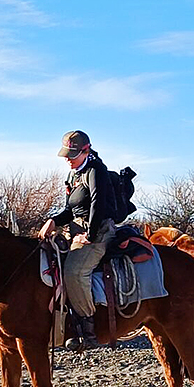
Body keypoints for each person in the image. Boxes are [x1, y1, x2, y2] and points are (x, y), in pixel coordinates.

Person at [39, 130, 118, 351]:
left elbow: (97, 205)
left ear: (86, 150)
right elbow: (70, 210)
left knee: (74, 271)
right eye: (66, 154)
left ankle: (88, 330)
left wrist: (90, 235)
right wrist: (53, 221)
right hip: (75, 230)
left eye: (72, 155)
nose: (67, 159)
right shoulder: (73, 175)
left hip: (99, 231)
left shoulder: (96, 171)